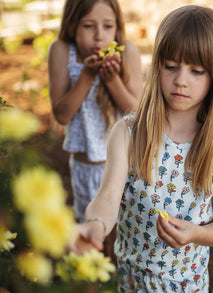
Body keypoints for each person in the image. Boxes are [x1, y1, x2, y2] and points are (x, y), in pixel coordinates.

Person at [71, 5, 213, 293]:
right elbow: (108, 195)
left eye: (197, 71)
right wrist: (95, 226)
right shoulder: (129, 132)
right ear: (157, 65)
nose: (181, 81)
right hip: (131, 284)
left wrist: (194, 233)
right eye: (171, 66)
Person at [48, 0, 143, 223]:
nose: (99, 36)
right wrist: (87, 75)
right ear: (72, 25)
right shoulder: (62, 51)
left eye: (108, 26)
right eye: (88, 26)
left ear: (118, 27)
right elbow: (61, 115)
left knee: (125, 229)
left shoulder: (127, 51)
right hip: (87, 166)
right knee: (94, 228)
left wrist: (112, 80)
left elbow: (137, 114)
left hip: (126, 167)